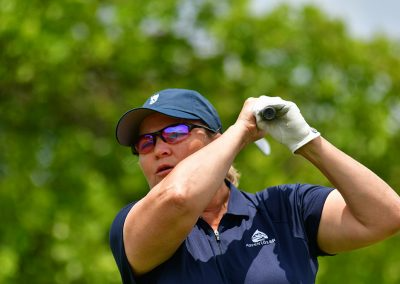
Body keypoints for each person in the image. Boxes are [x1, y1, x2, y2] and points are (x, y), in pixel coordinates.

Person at [109, 88, 400, 284]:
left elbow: (386, 215)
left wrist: (308, 142)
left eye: (174, 132)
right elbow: (179, 197)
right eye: (145, 143)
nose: (158, 149)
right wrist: (242, 131)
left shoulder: (285, 207)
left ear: (215, 140)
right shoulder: (132, 224)